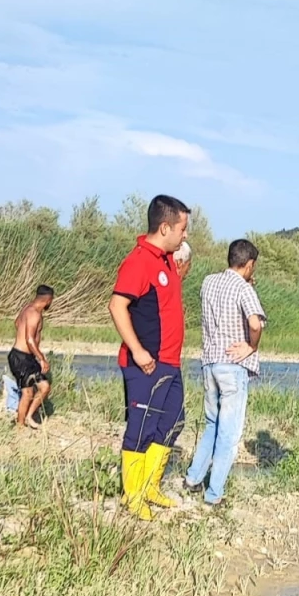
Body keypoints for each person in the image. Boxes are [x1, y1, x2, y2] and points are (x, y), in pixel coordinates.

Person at [108, 194, 190, 520]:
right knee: (140, 429)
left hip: (171, 361)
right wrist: (138, 350)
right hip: (146, 362)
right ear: (165, 227)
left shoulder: (167, 260)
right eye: (183, 229)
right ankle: (133, 497)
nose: (186, 236)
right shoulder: (139, 261)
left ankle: (150, 487)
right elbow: (117, 306)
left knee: (171, 423)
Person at [185, 238, 267, 508]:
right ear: (250, 264)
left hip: (209, 361)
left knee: (212, 424)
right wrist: (251, 347)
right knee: (229, 433)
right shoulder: (243, 287)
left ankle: (193, 479)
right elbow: (255, 323)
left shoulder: (209, 281)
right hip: (232, 365)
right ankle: (214, 492)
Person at [8, 284, 54, 429]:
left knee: (44, 387)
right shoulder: (34, 313)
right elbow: (29, 339)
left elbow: (17, 323)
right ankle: (20, 425)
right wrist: (41, 358)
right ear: (48, 300)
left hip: (27, 358)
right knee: (27, 392)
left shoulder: (27, 308)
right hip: (20, 357)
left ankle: (28, 416)